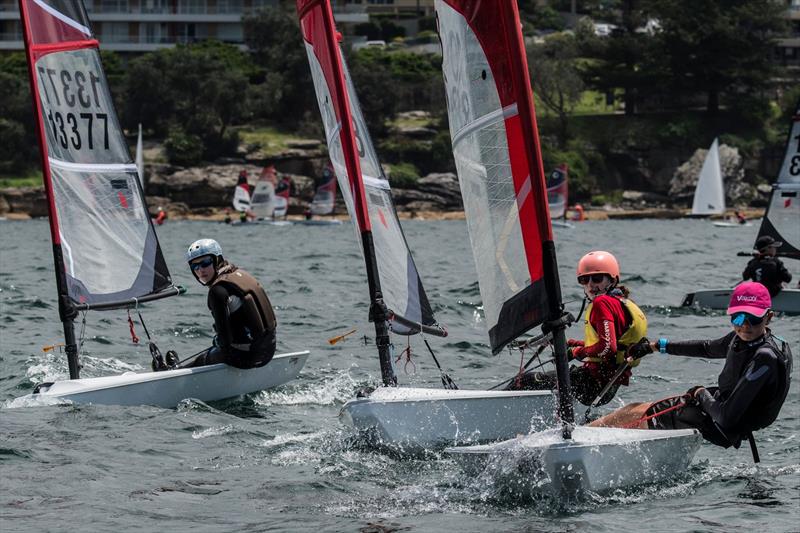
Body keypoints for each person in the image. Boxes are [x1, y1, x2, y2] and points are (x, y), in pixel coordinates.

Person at [590, 282, 792, 450]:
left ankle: (585, 438)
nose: (745, 325)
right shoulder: (746, 338)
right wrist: (657, 346)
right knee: (633, 410)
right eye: (738, 317)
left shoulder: (765, 357)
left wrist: (701, 393)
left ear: (769, 316)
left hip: (718, 421)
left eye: (754, 318)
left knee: (632, 414)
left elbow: (726, 418)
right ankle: (588, 431)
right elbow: (707, 348)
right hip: (718, 411)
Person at [507, 251, 649, 406]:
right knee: (547, 379)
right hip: (606, 388)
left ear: (613, 280)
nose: (590, 285)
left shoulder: (602, 302)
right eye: (584, 279)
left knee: (523, 380)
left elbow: (607, 348)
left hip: (591, 385)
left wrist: (576, 352)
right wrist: (573, 344)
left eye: (597, 278)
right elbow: (613, 345)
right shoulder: (622, 303)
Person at [181, 239, 277, 369]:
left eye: (205, 263)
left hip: (247, 358)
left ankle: (172, 372)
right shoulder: (238, 274)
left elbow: (225, 342)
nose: (200, 270)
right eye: (195, 266)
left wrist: (218, 343)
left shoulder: (217, 291)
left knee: (202, 359)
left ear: (217, 260)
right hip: (269, 350)